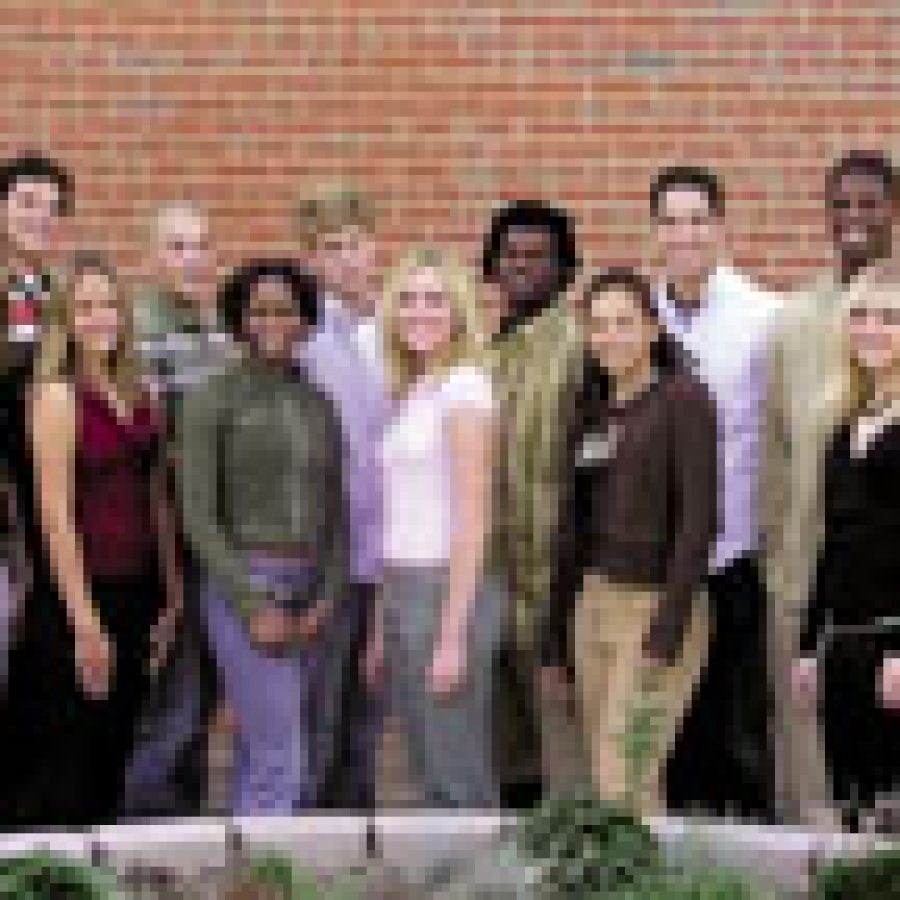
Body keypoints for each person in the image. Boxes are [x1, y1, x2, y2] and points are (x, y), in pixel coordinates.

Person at [0, 255, 180, 829]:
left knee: (115, 743)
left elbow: (157, 498)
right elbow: (53, 514)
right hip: (80, 594)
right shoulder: (55, 394)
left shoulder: (140, 390)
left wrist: (172, 593)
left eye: (109, 306)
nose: (100, 318)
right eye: (85, 307)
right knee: (65, 758)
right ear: (63, 320)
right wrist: (84, 621)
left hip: (138, 589)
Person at [545, 267, 717, 815]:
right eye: (599, 325)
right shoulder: (589, 407)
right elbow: (570, 527)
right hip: (591, 606)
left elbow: (700, 521)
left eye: (625, 323)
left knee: (625, 774)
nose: (611, 336)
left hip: (655, 608)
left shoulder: (683, 400)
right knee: (611, 781)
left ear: (652, 329)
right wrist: (555, 637)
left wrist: (666, 632)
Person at [179, 260, 348, 813]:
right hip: (246, 583)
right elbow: (198, 516)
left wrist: (326, 596)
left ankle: (251, 873)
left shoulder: (318, 402)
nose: (273, 321)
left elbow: (335, 508)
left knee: (267, 747)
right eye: (259, 311)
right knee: (282, 755)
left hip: (314, 586)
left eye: (286, 310)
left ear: (305, 320)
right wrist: (251, 601)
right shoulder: (213, 398)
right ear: (239, 319)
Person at [764, 152, 898, 827]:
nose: (853, 218)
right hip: (810, 584)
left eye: (869, 203)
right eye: (840, 205)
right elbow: (776, 454)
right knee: (815, 766)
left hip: (890, 606)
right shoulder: (791, 320)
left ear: (893, 210)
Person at [650, 165, 782, 820]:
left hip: (733, 558)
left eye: (698, 219)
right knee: (672, 735)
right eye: (670, 221)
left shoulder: (763, 317)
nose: (685, 234)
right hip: (657, 564)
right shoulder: (637, 319)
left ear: (722, 227)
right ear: (655, 231)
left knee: (740, 734)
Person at [367, 247, 503, 808]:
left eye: (434, 299)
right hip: (404, 588)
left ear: (459, 310)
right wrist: (381, 621)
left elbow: (474, 520)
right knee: (427, 763)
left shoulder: (465, 389)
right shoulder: (415, 391)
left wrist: (451, 635)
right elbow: (400, 513)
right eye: (408, 300)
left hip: (447, 590)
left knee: (456, 769)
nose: (419, 311)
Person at [118, 200, 232, 817]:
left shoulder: (218, 334)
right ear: (151, 257)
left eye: (203, 245)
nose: (194, 258)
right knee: (173, 694)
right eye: (178, 246)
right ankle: (147, 830)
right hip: (170, 543)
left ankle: (180, 820)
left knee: (202, 690)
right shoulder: (138, 333)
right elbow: (155, 449)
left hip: (216, 540)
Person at [479, 199, 584, 807]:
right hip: (496, 582)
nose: (521, 267)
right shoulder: (484, 354)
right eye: (510, 256)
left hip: (557, 582)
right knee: (508, 753)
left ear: (565, 268)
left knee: (563, 748)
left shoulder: (578, 346)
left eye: (538, 256)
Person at [792, 275, 900, 829]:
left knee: (892, 807)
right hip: (844, 644)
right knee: (849, 802)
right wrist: (809, 646)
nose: (872, 329)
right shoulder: (842, 425)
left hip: (892, 643)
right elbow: (831, 545)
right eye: (860, 316)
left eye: (888, 317)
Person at [293, 185, 386, 810]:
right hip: (327, 558)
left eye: (356, 244)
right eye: (333, 249)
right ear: (315, 261)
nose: (348, 259)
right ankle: (303, 848)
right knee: (316, 715)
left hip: (390, 557)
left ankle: (356, 842)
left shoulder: (402, 326)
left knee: (368, 717)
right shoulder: (303, 339)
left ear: (375, 249)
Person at [1, 155, 71, 693]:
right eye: (27, 203)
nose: (40, 217)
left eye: (52, 208)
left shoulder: (57, 294)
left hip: (47, 490)